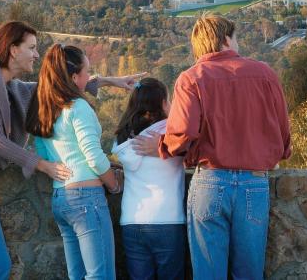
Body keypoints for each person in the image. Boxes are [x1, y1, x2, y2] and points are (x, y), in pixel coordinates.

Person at [0, 21, 142, 280]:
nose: (37, 54)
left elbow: (54, 88)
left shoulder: (7, 85)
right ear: (13, 49)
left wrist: (108, 81)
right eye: (32, 47)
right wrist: (42, 164)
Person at [134, 14, 291, 280]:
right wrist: (278, 154)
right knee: (249, 273)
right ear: (226, 39)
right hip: (254, 183)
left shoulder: (191, 78)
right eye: (236, 38)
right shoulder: (265, 73)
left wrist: (161, 146)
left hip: (211, 180)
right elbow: (283, 129)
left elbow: (183, 132)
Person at [26, 44, 129, 280]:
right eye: (86, 72)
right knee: (100, 275)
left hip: (61, 198)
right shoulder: (78, 107)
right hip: (86, 200)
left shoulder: (46, 108)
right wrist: (113, 184)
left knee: (78, 276)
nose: (89, 77)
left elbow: (41, 149)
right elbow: (92, 154)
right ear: (74, 77)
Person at [111, 78, 185, 280]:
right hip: (168, 219)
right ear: (162, 103)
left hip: (132, 221)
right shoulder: (171, 134)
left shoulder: (123, 136)